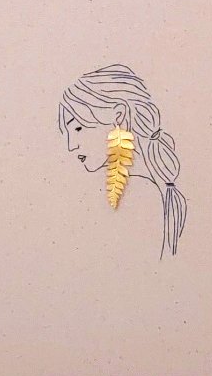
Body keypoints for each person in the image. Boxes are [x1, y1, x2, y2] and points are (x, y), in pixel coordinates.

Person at [58, 65, 187, 257]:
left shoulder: (141, 191)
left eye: (78, 128)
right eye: (67, 133)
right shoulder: (159, 188)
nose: (71, 145)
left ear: (119, 116)